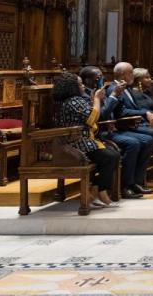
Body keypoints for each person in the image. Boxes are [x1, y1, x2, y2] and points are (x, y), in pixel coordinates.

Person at [53, 71, 120, 209]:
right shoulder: (74, 101)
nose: (83, 86)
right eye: (80, 84)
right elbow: (92, 118)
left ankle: (95, 192)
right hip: (76, 144)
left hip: (82, 140)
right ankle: (100, 192)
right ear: (72, 87)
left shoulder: (74, 100)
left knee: (112, 153)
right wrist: (96, 98)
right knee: (110, 156)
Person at [98, 64, 153, 200]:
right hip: (110, 129)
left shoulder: (123, 88)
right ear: (123, 74)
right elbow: (111, 113)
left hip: (118, 127)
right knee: (133, 143)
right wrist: (114, 96)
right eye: (131, 73)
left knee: (148, 140)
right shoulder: (114, 88)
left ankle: (136, 181)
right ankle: (125, 185)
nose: (133, 76)